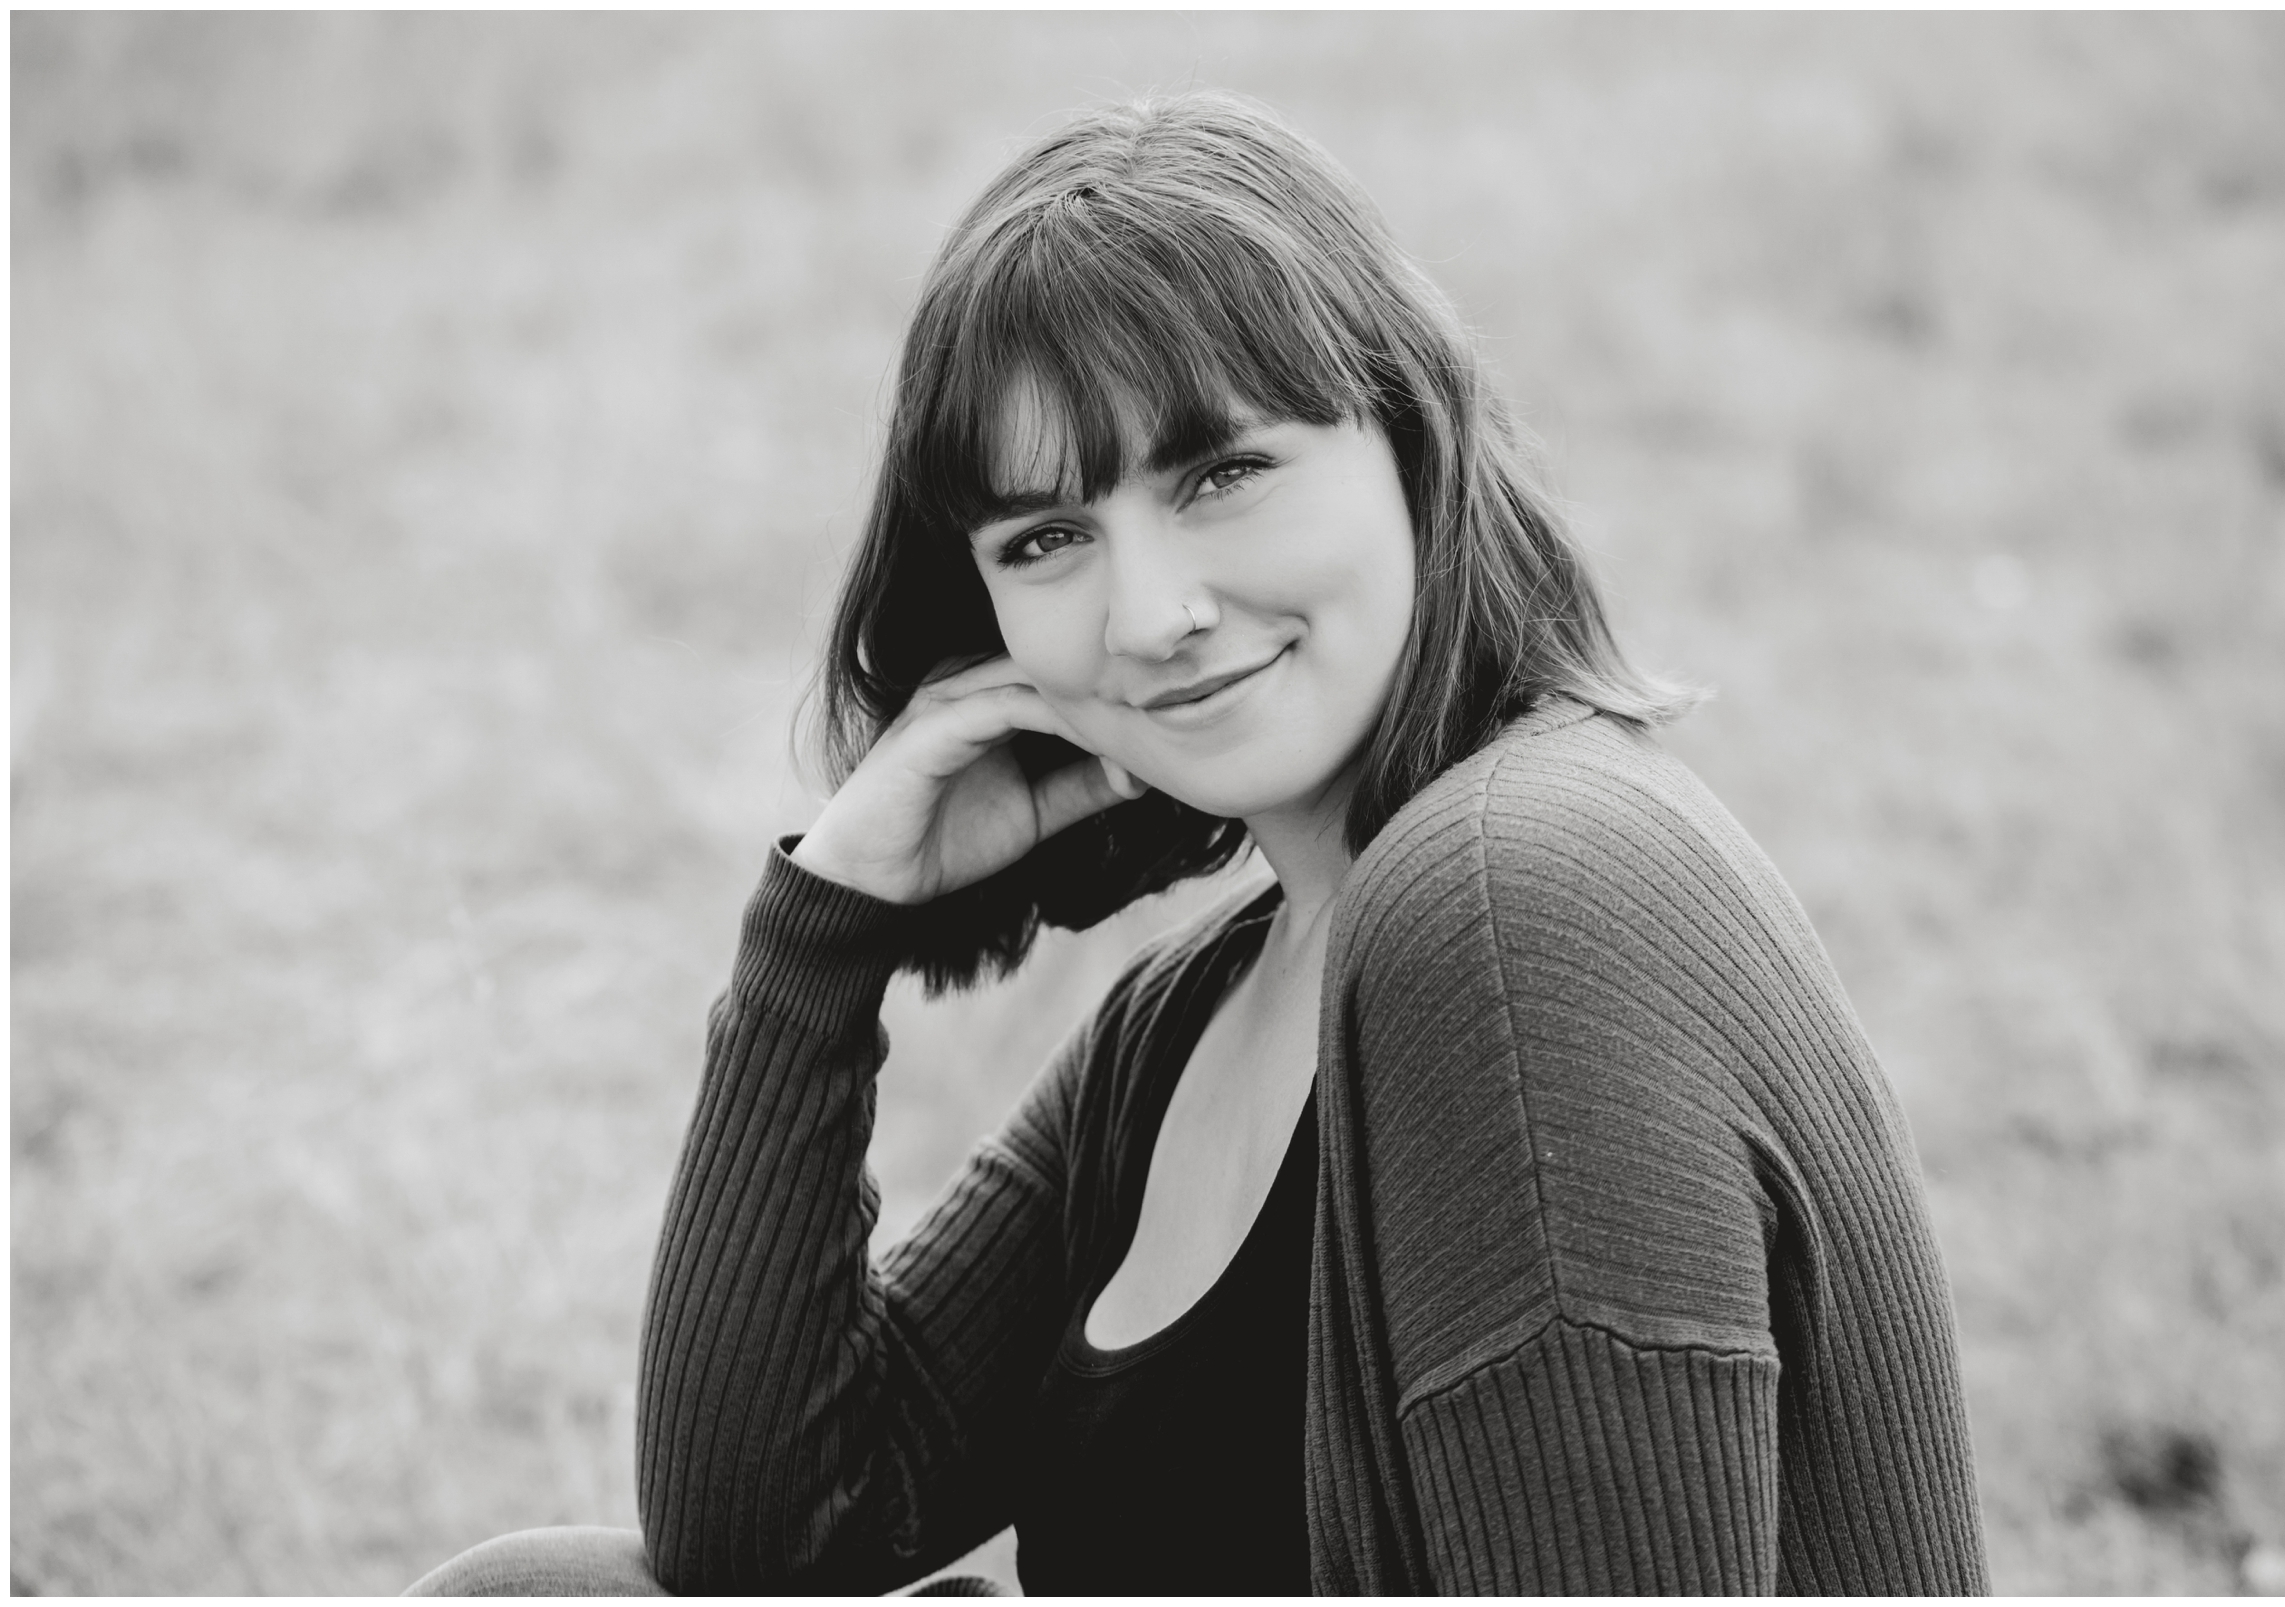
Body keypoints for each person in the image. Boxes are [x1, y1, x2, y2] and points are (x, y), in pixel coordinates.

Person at [410, 90, 1988, 1597]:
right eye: (1048, 539)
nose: (1151, 613)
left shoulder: (1512, 910)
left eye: (1223, 473)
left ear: (1409, 443)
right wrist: (829, 925)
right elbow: (766, 1536)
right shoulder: (1186, 1023)